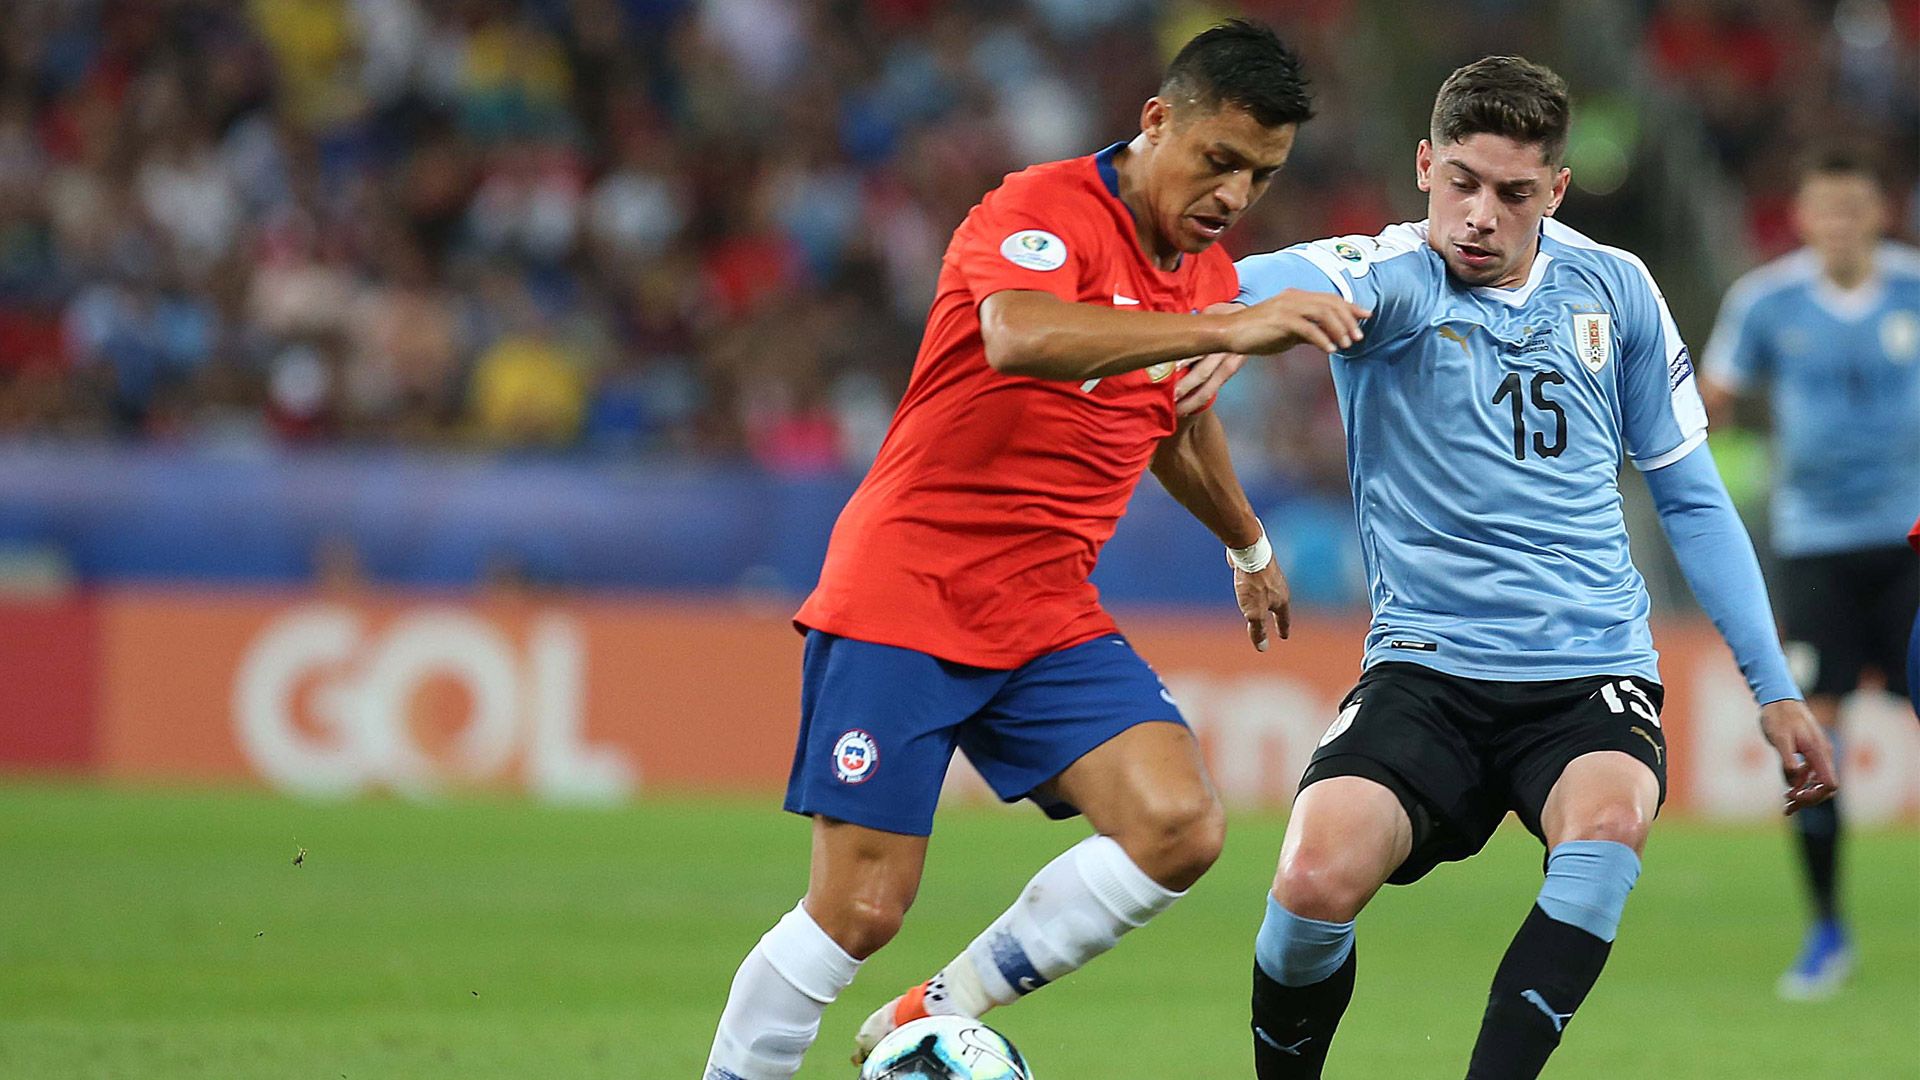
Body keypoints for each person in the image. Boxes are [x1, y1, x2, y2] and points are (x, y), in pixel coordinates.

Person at [702, 22, 1369, 1080]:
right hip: (907, 589)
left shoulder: (1203, 278)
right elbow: (1024, 336)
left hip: (1043, 609)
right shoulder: (1040, 211)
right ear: (1158, 122)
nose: (1236, 196)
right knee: (859, 908)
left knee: (1178, 825)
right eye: (1220, 161)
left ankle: (943, 1004)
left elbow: (1177, 425)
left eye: (1262, 176)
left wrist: (1246, 544)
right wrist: (1226, 331)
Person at [1193, 57, 1836, 1079]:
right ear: (1424, 166)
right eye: (1461, 182)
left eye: (1513, 193)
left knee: (1608, 828)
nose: (1480, 215)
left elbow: (1692, 496)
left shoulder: (1616, 290)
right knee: (1312, 879)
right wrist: (1220, 318)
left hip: (1590, 671)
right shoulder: (1392, 276)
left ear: (1557, 192)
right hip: (1429, 668)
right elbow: (1248, 283)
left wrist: (1774, 688)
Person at [1697, 148, 1920, 1000]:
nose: (1840, 225)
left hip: (1909, 546)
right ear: (1803, 218)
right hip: (1815, 548)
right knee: (1815, 743)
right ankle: (1828, 930)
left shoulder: (1913, 290)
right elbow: (1711, 393)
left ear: (1878, 214)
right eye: (1825, 210)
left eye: (1855, 210)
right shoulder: (1767, 301)